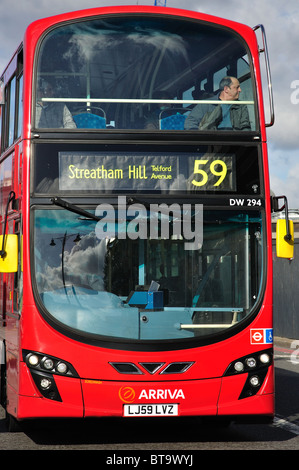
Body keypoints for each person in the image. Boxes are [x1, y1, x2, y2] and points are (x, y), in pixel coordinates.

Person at [184, 76, 251, 131]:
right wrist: (202, 140)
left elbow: (246, 127)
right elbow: (190, 123)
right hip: (212, 143)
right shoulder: (206, 104)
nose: (240, 90)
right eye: (237, 87)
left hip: (235, 144)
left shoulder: (241, 106)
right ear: (226, 89)